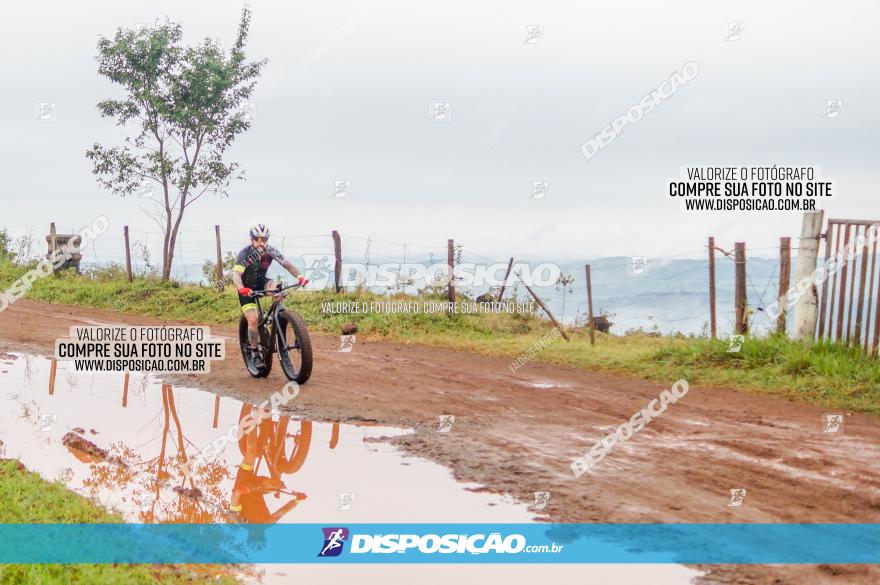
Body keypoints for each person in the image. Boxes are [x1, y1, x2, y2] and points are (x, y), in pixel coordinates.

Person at [233, 224, 308, 368]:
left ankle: (279, 318)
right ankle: (255, 353)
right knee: (253, 320)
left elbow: (287, 264)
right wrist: (241, 288)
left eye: (264, 239)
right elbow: (236, 275)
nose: (261, 243)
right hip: (246, 288)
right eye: (258, 239)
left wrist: (300, 276)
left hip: (262, 283)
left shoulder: (270, 250)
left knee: (277, 290)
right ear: (252, 239)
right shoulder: (245, 254)